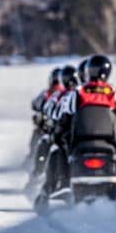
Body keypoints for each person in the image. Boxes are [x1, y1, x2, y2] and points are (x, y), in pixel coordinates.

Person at [56, 55, 116, 192]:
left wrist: (59, 133)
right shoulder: (115, 93)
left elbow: (66, 115)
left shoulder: (78, 93)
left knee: (61, 151)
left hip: (80, 143)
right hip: (110, 143)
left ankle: (62, 181)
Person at [41, 65, 80, 196]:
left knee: (56, 152)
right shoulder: (78, 93)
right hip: (83, 133)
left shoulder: (62, 96)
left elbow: (53, 112)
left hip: (71, 135)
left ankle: (52, 187)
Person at [25, 67, 63, 172]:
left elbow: (36, 104)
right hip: (55, 125)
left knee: (40, 134)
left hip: (51, 126)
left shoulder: (48, 93)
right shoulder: (69, 93)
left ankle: (34, 161)